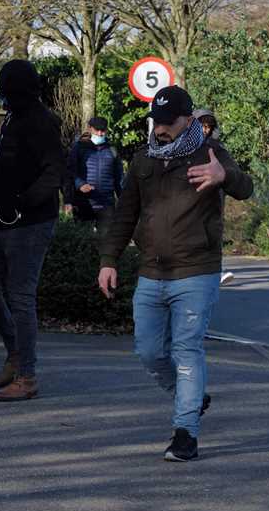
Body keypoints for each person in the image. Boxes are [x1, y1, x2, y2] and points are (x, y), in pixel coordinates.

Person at [97, 85, 253, 462]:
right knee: (149, 352)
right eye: (156, 122)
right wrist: (108, 260)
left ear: (187, 120)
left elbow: (245, 187)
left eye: (168, 122)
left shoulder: (211, 153)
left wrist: (223, 177)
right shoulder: (143, 160)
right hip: (151, 272)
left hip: (196, 271)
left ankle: (185, 432)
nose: (160, 129)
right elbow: (125, 214)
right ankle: (193, 398)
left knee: (187, 350)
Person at [0, 59, 66, 403]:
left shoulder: (41, 122)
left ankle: (27, 376)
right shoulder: (12, 119)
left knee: (21, 296)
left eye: (6, 90)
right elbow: (0, 171)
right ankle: (14, 352)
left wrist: (23, 203)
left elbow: (53, 172)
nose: (2, 95)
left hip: (29, 224)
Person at [194, 108, 234, 287]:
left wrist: (225, 177)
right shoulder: (182, 147)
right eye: (202, 126)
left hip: (214, 198)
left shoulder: (218, 148)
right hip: (192, 199)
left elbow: (234, 173)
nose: (206, 130)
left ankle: (216, 272)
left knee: (213, 233)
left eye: (209, 126)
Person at [69, 117, 123, 235]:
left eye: (103, 130)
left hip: (106, 204)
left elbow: (119, 178)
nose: (100, 133)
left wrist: (124, 200)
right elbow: (70, 171)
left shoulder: (112, 150)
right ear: (90, 128)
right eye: (97, 130)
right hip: (83, 202)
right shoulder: (78, 148)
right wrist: (80, 184)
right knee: (82, 241)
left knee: (106, 242)